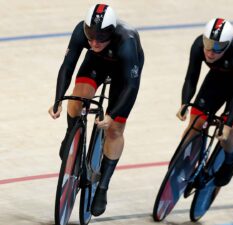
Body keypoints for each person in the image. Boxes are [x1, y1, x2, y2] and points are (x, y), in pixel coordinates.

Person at [48, 4, 144, 216]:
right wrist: (58, 100)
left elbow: (131, 86)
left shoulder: (126, 40)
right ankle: (71, 133)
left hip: (124, 73)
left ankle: (103, 187)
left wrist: (112, 114)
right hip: (96, 62)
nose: (94, 42)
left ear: (110, 32)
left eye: (100, 38)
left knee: (115, 129)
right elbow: (67, 66)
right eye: (90, 36)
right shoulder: (82, 32)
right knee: (77, 96)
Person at [176, 18, 233, 187]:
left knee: (228, 133)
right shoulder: (198, 45)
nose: (211, 52)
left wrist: (229, 124)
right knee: (195, 123)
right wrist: (185, 103)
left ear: (228, 45)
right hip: (219, 77)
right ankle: (181, 165)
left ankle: (229, 164)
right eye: (208, 44)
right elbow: (191, 77)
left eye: (218, 48)